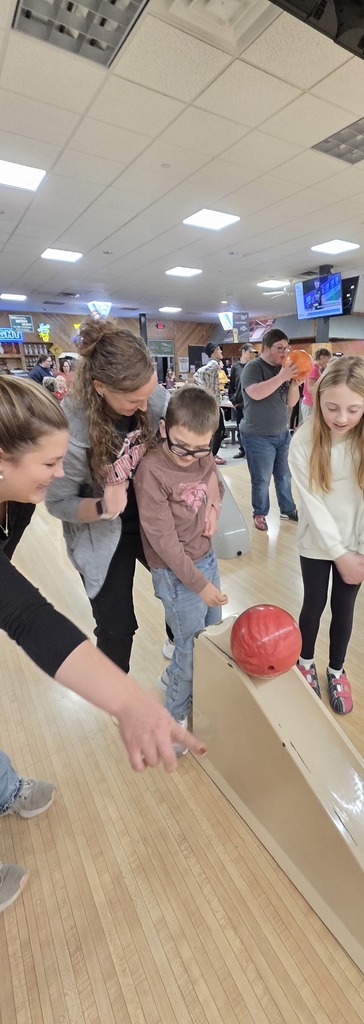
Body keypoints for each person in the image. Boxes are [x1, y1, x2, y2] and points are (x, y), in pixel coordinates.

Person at [0, 376, 205, 912]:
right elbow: (26, 615)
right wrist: (132, 701)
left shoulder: (16, 497)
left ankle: (3, 789)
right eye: (48, 465)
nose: (59, 475)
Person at [46, 316, 171, 674]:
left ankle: (176, 641)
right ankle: (120, 693)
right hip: (101, 532)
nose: (146, 407)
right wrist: (102, 506)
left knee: (182, 592)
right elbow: (58, 503)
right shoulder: (70, 430)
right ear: (100, 387)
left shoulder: (152, 395)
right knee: (117, 627)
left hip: (150, 519)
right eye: (134, 400)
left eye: (150, 394)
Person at [288, 356, 364, 715]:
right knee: (314, 603)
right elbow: (311, 504)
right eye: (332, 407)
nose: (342, 418)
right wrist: (339, 553)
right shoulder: (303, 440)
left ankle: (336, 669)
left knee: (344, 607)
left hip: (355, 544)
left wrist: (363, 550)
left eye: (353, 409)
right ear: (317, 400)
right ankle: (305, 663)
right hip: (317, 542)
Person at [134, 387, 228, 744]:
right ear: (163, 429)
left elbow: (214, 481)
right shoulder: (151, 473)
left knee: (210, 639)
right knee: (189, 650)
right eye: (181, 447)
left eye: (201, 449)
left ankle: (181, 684)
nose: (191, 457)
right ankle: (173, 722)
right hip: (176, 575)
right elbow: (166, 545)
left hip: (206, 558)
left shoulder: (203, 455)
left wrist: (214, 511)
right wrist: (200, 585)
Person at [239, 328, 300, 532]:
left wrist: (294, 384)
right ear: (266, 347)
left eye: (287, 348)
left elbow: (291, 402)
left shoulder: (284, 370)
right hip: (257, 435)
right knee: (262, 479)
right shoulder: (253, 368)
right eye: (280, 348)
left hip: (282, 433)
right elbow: (255, 393)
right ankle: (260, 513)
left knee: (284, 475)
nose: (285, 352)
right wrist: (283, 377)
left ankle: (288, 508)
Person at [193, 342, 226, 465]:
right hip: (213, 404)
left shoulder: (214, 365)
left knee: (216, 430)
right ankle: (211, 456)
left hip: (213, 403)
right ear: (213, 351)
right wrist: (206, 391)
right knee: (219, 430)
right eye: (219, 350)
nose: (221, 352)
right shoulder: (214, 364)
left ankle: (210, 455)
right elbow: (198, 373)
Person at [227, 343, 258, 458]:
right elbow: (231, 387)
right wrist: (233, 401)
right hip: (240, 404)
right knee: (240, 428)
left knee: (253, 428)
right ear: (244, 352)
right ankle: (243, 449)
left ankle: (252, 449)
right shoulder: (236, 368)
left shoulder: (255, 366)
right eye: (250, 352)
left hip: (253, 404)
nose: (251, 355)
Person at [300, 347, 331, 421]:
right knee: (309, 428)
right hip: (310, 404)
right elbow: (310, 388)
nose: (327, 362)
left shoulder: (316, 369)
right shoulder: (314, 369)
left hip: (311, 403)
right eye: (327, 359)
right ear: (322, 357)